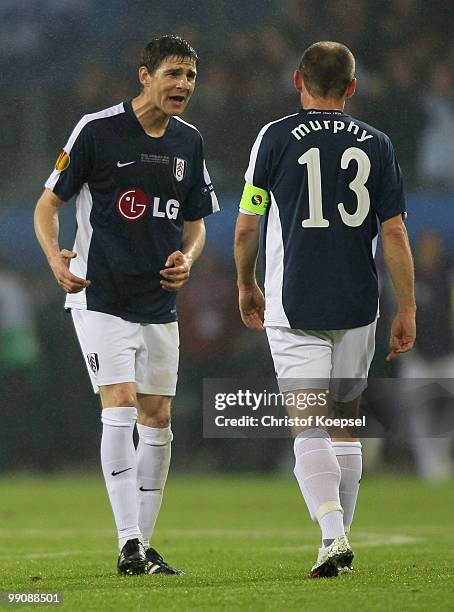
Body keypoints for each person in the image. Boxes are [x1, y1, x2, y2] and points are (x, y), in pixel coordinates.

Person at [34, 35, 219, 576]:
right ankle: (128, 541)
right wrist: (54, 259)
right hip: (100, 295)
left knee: (157, 416)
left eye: (190, 75)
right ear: (145, 75)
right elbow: (48, 205)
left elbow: (197, 223)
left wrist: (187, 257)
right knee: (118, 403)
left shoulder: (190, 141)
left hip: (159, 301)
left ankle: (142, 545)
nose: (183, 84)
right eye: (173, 73)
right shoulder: (96, 130)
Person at [234, 41, 416, 578]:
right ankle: (338, 543)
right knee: (344, 425)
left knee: (308, 425)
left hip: (293, 303)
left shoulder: (274, 137)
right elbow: (395, 231)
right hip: (358, 304)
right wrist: (406, 307)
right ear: (353, 87)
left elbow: (248, 223)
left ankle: (332, 536)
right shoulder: (378, 144)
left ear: (298, 80)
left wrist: (245, 284)